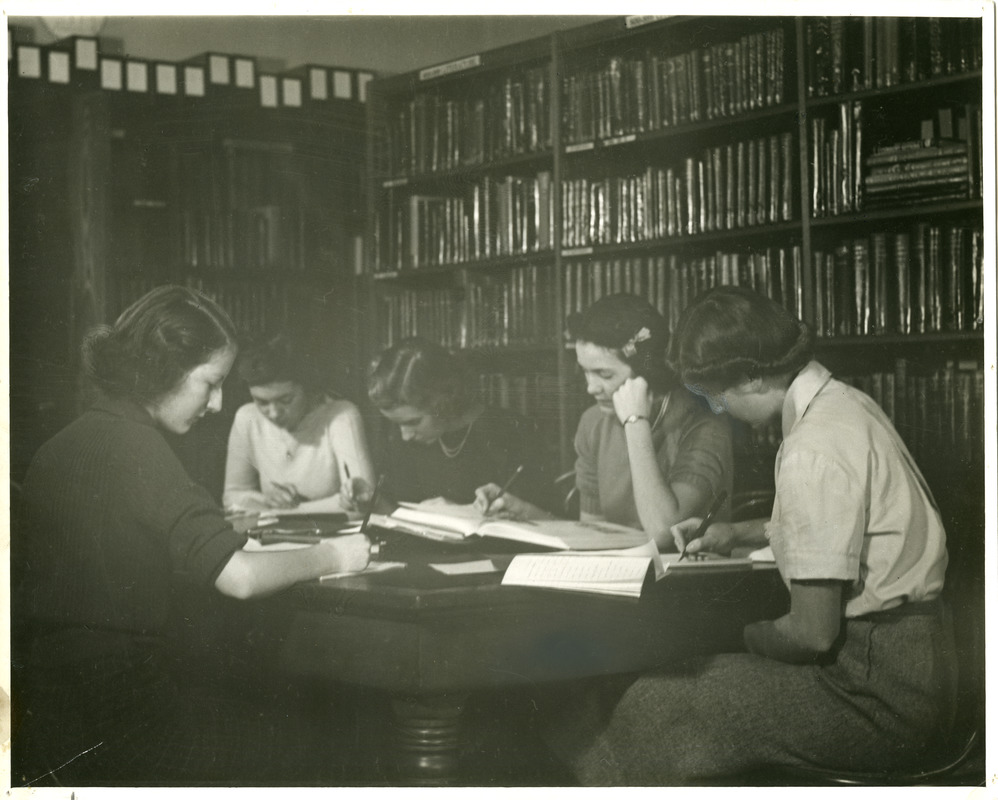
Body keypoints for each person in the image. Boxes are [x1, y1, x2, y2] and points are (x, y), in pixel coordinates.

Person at [546, 286, 957, 784]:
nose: (717, 409)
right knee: (668, 690)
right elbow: (850, 524)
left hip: (874, 696)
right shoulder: (845, 405)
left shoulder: (811, 448)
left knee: (657, 701)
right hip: (914, 673)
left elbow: (812, 633)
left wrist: (742, 638)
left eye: (717, 393)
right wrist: (737, 531)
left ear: (751, 375)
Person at [12, 286, 371, 786]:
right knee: (326, 742)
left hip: (46, 709)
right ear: (161, 372)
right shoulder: (139, 448)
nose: (219, 403)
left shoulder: (64, 444)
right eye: (211, 383)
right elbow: (240, 578)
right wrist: (335, 553)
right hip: (120, 714)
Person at [475, 293, 732, 550]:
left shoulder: (704, 426)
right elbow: (593, 531)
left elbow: (664, 533)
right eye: (585, 371)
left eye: (604, 374)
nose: (591, 388)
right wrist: (524, 512)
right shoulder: (593, 422)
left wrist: (635, 421)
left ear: (648, 371)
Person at [367, 336, 553, 510]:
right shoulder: (401, 440)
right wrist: (371, 502)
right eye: (396, 423)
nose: (405, 436)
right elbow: (397, 510)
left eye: (414, 422)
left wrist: (459, 513)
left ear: (444, 401)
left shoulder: (512, 433)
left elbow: (549, 523)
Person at [223, 332, 375, 514]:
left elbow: (362, 499)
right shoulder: (247, 418)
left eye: (286, 400)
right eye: (262, 402)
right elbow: (232, 497)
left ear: (308, 388)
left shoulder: (341, 416)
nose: (273, 412)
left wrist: (283, 511)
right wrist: (266, 499)